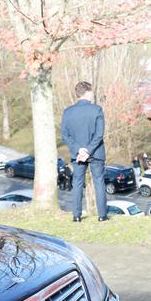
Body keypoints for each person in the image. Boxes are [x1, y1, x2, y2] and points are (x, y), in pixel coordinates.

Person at [61, 81, 108, 222]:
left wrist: (79, 149)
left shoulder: (68, 112)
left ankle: (76, 216)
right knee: (98, 181)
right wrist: (88, 150)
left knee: (77, 183)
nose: (93, 94)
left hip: (78, 154)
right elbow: (99, 134)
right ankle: (102, 216)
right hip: (96, 152)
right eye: (92, 91)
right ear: (87, 92)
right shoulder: (97, 110)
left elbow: (65, 135)